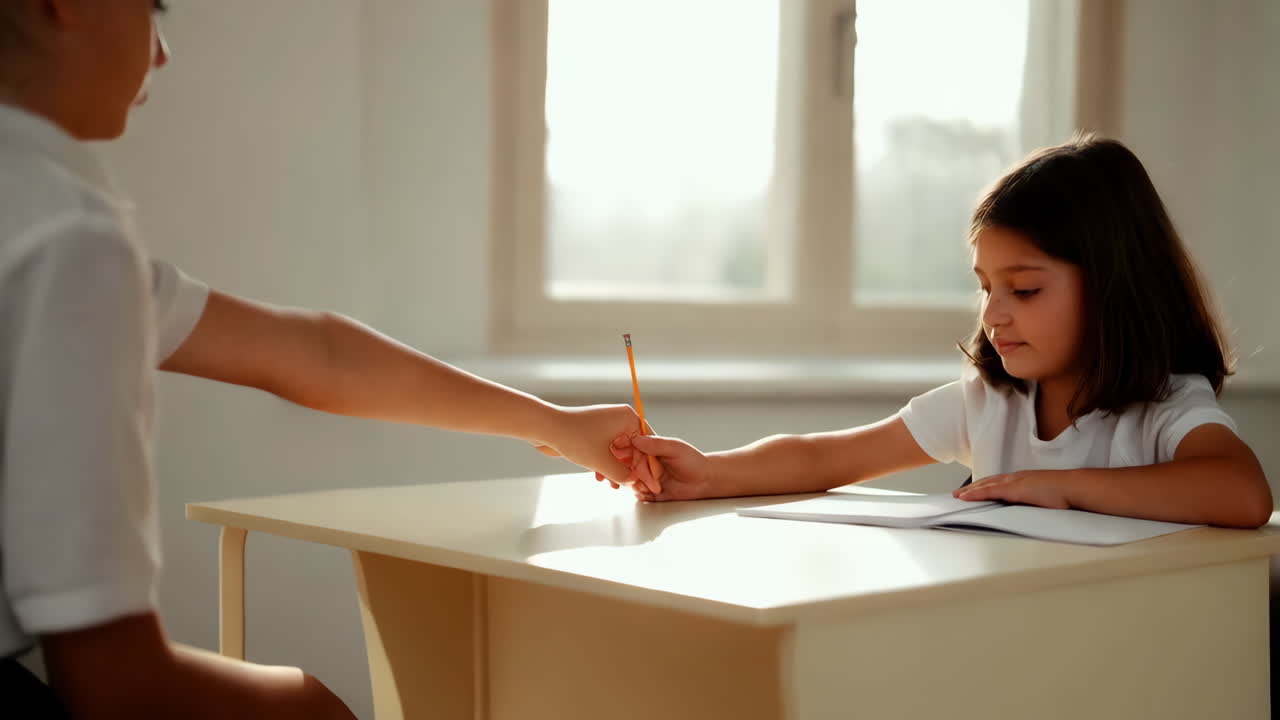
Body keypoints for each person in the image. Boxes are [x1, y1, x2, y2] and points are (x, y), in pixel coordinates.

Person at [0, 1, 654, 716]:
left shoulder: (37, 214)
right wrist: (310, 705)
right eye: (152, 8)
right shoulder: (68, 239)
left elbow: (316, 353)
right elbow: (116, 682)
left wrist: (556, 424)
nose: (161, 54)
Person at [611, 134, 1273, 531]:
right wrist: (709, 473)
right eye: (986, 287)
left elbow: (1243, 493)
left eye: (1025, 289)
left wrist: (1066, 486)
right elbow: (822, 458)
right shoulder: (988, 403)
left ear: (1113, 287)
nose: (993, 314)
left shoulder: (1165, 408)